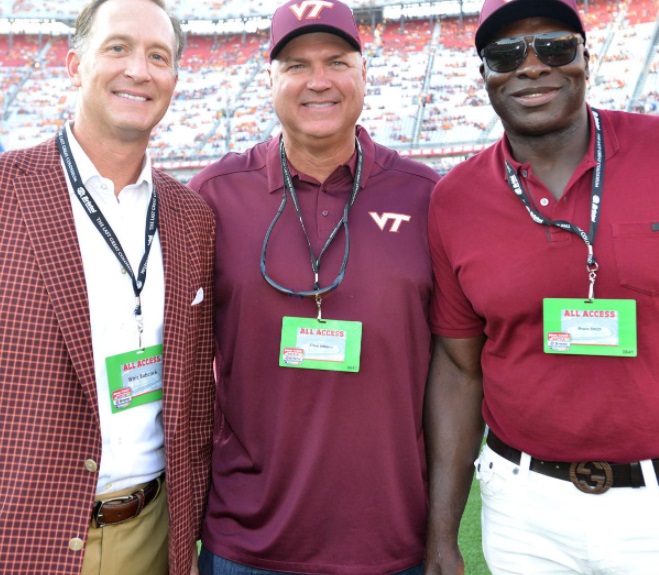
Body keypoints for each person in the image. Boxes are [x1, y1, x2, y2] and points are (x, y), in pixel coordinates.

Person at [189, 1, 439, 573]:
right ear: (270, 78)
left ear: (364, 73)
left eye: (336, 61)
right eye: (297, 64)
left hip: (390, 541)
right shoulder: (214, 195)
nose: (318, 80)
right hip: (246, 544)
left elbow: (458, 364)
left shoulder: (424, 196)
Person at [424, 0, 659, 574]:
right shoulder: (454, 200)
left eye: (553, 47)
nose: (531, 67)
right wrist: (440, 536)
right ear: (484, 77)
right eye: (506, 54)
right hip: (523, 508)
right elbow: (459, 368)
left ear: (585, 57)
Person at [0, 1, 215, 574]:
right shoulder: (7, 192)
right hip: (26, 533)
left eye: (158, 56)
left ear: (173, 78)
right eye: (117, 48)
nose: (139, 70)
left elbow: (193, 394)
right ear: (74, 65)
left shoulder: (191, 215)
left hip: (155, 530)